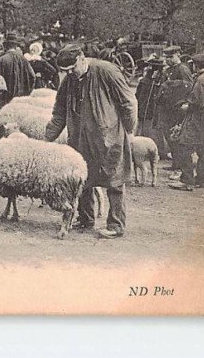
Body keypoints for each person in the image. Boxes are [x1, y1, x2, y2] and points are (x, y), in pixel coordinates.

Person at [46, 44, 137, 238]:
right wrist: (47, 139)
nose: (70, 73)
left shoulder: (107, 71)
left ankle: (115, 224)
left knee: (114, 178)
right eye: (65, 71)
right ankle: (86, 218)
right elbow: (59, 112)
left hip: (108, 136)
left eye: (72, 68)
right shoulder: (69, 79)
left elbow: (128, 103)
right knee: (82, 177)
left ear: (81, 58)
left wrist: (129, 130)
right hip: (79, 137)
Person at [169, 54, 204, 191]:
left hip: (198, 121)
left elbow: (199, 102)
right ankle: (201, 180)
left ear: (196, 65)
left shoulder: (202, 79)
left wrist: (186, 106)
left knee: (183, 146)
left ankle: (187, 180)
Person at [155, 45, 194, 169]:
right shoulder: (169, 70)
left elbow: (188, 85)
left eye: (170, 57)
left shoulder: (183, 69)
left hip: (177, 109)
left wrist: (170, 84)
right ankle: (176, 163)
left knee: (176, 137)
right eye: (166, 57)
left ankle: (180, 165)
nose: (168, 59)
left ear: (178, 55)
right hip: (168, 108)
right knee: (169, 136)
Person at [0, 32, 35, 103]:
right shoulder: (24, 59)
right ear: (15, 46)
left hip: (6, 98)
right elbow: (32, 76)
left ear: (5, 46)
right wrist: (27, 91)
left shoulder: (2, 60)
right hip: (21, 97)